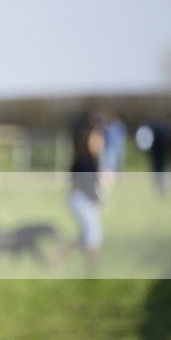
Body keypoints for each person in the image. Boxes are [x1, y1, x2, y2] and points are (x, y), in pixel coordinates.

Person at [67, 112, 105, 271]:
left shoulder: (92, 160)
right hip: (81, 199)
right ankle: (92, 271)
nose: (100, 142)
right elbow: (87, 186)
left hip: (84, 199)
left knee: (87, 236)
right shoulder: (84, 160)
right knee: (92, 235)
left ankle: (55, 257)